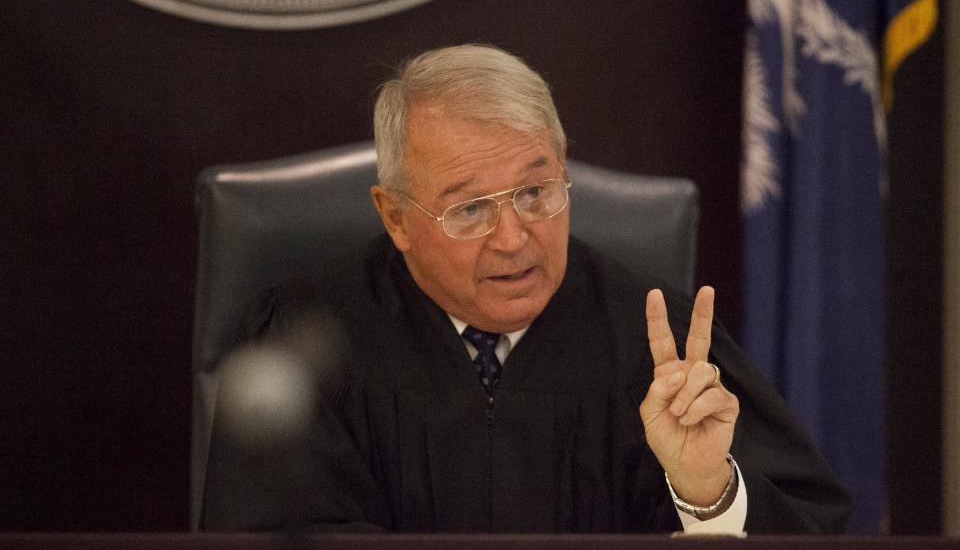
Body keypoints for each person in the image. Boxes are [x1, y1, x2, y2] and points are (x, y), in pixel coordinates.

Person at [202, 44, 851, 534]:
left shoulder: (663, 348)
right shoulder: (305, 338)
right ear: (396, 217)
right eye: (470, 209)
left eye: (535, 193)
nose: (514, 238)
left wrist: (707, 491)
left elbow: (811, 528)